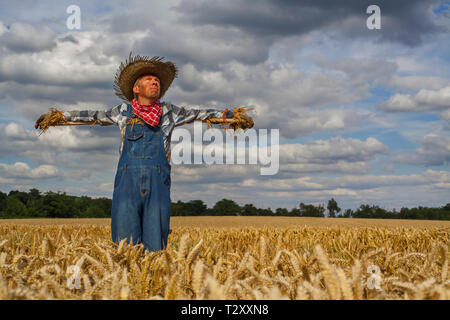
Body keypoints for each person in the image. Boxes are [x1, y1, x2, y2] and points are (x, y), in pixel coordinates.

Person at [34, 53, 234, 253]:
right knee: (125, 241)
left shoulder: (169, 111)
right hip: (127, 181)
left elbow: (200, 114)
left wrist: (230, 117)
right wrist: (56, 117)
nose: (155, 82)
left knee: (156, 242)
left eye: (157, 81)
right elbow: (91, 116)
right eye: (149, 80)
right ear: (136, 89)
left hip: (158, 181)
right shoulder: (122, 111)